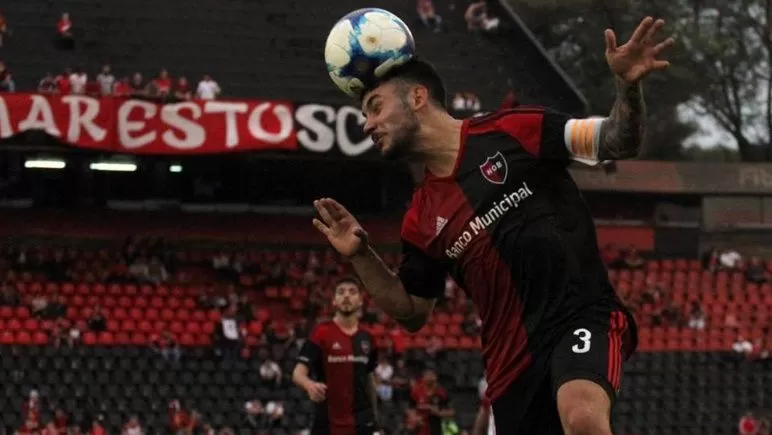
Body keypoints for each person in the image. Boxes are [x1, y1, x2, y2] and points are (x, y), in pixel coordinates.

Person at [312, 16, 675, 435]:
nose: (367, 124)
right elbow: (411, 311)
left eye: (374, 107)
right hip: (510, 368)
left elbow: (616, 140)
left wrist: (627, 86)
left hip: (582, 316)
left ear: (416, 97)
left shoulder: (514, 130)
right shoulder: (420, 218)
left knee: (583, 418)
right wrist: (360, 254)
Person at [292, 276, 380, 435]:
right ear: (334, 301)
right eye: (341, 292)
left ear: (360, 301)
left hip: (362, 423)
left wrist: (375, 419)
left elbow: (370, 379)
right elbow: (298, 373)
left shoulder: (369, 337)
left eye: (352, 292)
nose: (346, 296)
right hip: (328, 422)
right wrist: (309, 385)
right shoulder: (320, 333)